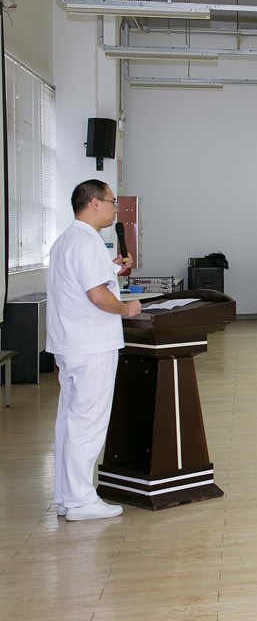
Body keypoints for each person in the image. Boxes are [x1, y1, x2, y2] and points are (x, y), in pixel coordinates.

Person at [48, 179, 142, 521]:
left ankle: (67, 496)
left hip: (70, 344)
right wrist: (126, 309)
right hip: (91, 345)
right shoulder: (87, 243)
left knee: (70, 422)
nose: (116, 209)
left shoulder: (67, 240)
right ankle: (80, 501)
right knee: (88, 422)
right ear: (94, 203)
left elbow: (81, 281)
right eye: (112, 202)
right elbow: (97, 295)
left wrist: (113, 267)